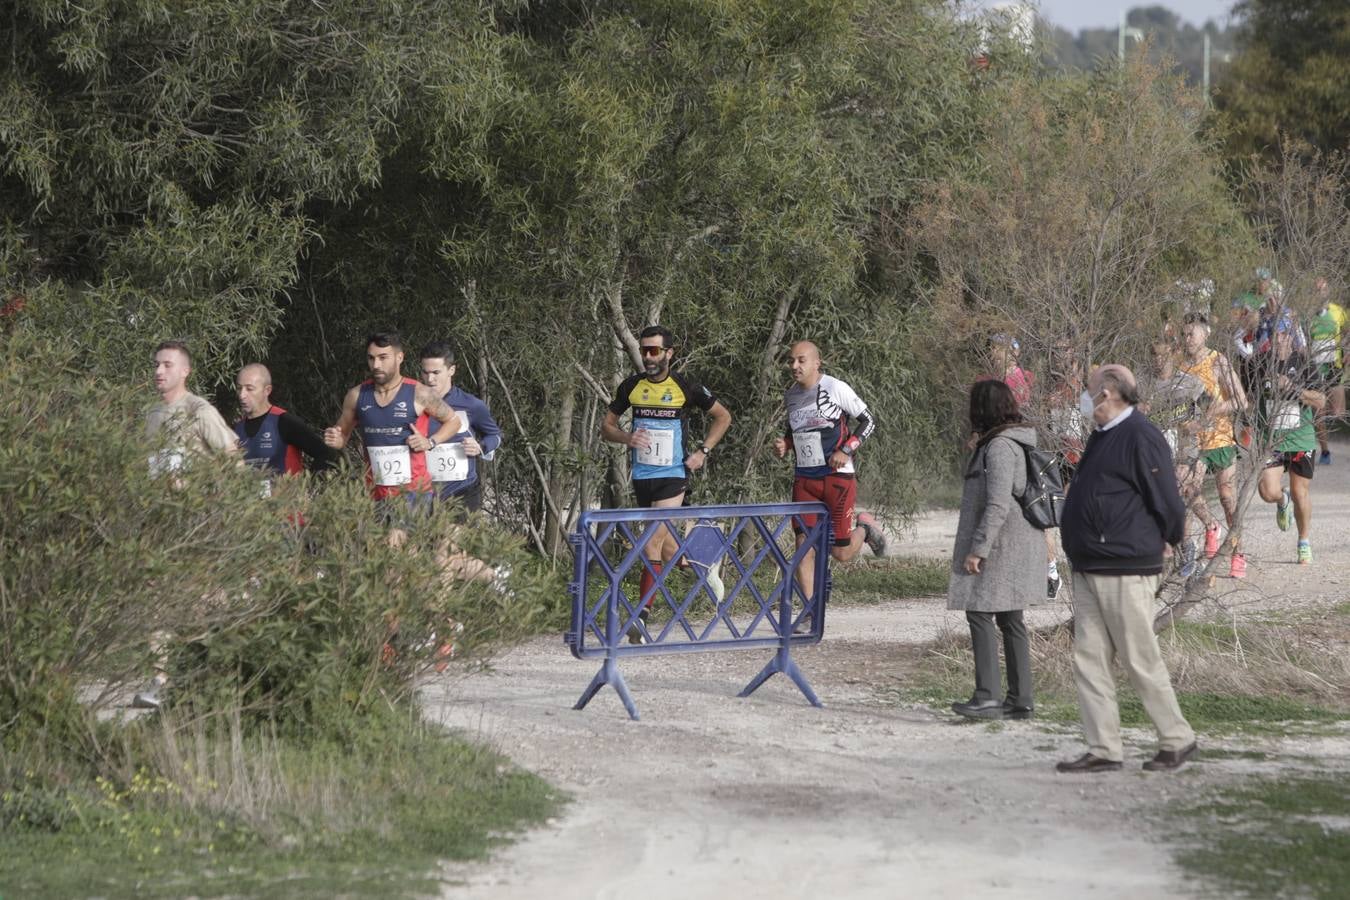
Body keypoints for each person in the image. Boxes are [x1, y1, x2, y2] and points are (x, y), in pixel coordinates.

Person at [1056, 364, 1196, 774]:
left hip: (1125, 565)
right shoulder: (1101, 436)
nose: (1085, 398)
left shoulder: (1141, 435)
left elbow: (1167, 498)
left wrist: (1172, 539)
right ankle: (1104, 748)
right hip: (1091, 565)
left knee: (1139, 656)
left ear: (1110, 392)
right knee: (1090, 659)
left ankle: (1177, 739)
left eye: (1089, 390)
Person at [600, 326, 732, 642]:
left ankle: (641, 618)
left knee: (650, 541)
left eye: (655, 351)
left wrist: (703, 451)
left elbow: (723, 417)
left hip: (673, 477)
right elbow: (606, 427)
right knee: (667, 547)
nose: (648, 357)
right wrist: (626, 437)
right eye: (645, 350)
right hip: (642, 476)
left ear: (669, 353)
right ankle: (700, 564)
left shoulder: (685, 387)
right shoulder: (631, 387)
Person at [136, 340, 240, 709]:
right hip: (160, 521)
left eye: (167, 365)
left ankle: (222, 664)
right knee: (155, 595)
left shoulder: (200, 410)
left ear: (185, 371)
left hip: (197, 522)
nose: (159, 371)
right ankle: (160, 679)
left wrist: (209, 498)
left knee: (202, 599)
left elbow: (233, 459)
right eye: (156, 365)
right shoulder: (151, 414)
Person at [774, 341, 887, 623]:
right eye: (791, 361)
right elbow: (796, 429)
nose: (794, 366)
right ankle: (812, 612)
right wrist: (785, 444)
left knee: (840, 552)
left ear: (816, 363)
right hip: (805, 479)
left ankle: (865, 529)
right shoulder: (791, 396)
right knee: (803, 544)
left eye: (801, 360)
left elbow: (868, 421)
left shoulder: (836, 388)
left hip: (837, 478)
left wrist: (846, 449)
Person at [945, 380, 1038, 720]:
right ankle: (1020, 698)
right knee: (1011, 617)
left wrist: (978, 549)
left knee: (980, 612)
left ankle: (987, 696)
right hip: (1013, 540)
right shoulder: (1006, 441)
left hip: (1001, 544)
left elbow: (997, 503)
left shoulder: (1000, 447)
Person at [322, 331, 465, 543]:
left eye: (383, 358)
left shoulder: (419, 393)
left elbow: (454, 421)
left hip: (413, 491)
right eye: (371, 358)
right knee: (400, 559)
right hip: (376, 492)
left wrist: (430, 442)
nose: (376, 365)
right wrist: (335, 439)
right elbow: (342, 434)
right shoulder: (357, 395)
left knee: (393, 546)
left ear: (399, 358)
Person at [1176, 311, 1248, 578]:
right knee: (1186, 488)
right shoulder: (1180, 366)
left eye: (1191, 333)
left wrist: (1213, 410)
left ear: (1205, 333)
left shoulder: (1217, 361)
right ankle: (1209, 526)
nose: (1187, 339)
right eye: (1184, 334)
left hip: (1220, 439)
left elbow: (1241, 400)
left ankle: (1238, 551)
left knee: (1227, 498)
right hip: (1192, 442)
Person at [1257, 317, 1326, 565]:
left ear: (1291, 336)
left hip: (1300, 439)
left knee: (1300, 492)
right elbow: (1251, 401)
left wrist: (1294, 389)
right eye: (1272, 334)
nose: (1278, 339)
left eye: (1283, 334)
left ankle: (1304, 541)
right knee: (1267, 491)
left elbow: (1321, 401)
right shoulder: (1260, 364)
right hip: (1272, 442)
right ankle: (1280, 499)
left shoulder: (1304, 362)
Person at [418, 341, 503, 513]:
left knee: (449, 541)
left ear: (451, 370)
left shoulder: (471, 404)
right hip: (422, 493)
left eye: (436, 372)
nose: (430, 379)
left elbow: (495, 435)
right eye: (425, 373)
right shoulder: (413, 403)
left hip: (461, 491)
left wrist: (480, 447)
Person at [234, 363, 336, 479]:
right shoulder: (236, 429)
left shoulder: (284, 422)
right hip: (250, 496)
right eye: (239, 388)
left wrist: (308, 485)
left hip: (285, 496)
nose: (242, 395)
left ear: (267, 390)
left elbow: (325, 454)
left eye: (249, 389)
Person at [1308, 277, 1346, 464]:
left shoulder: (1338, 312)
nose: (1319, 293)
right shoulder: (1307, 314)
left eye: (1322, 290)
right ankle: (1325, 452)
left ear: (1327, 292)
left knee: (1338, 412)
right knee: (1318, 412)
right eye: (1316, 290)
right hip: (1315, 367)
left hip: (1334, 365)